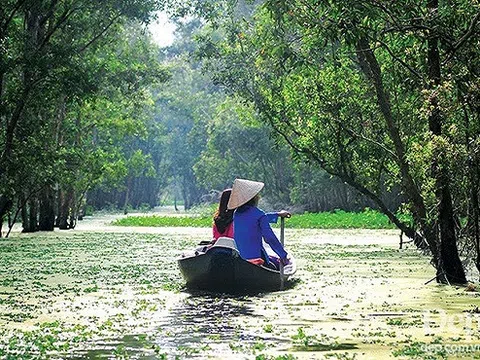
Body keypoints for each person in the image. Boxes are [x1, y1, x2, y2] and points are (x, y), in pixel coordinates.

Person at [227, 178, 291, 267]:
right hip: (257, 259)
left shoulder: (237, 214)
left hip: (240, 259)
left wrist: (277, 215)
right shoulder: (259, 215)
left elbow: (255, 219)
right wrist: (282, 255)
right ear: (255, 198)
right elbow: (269, 237)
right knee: (274, 265)